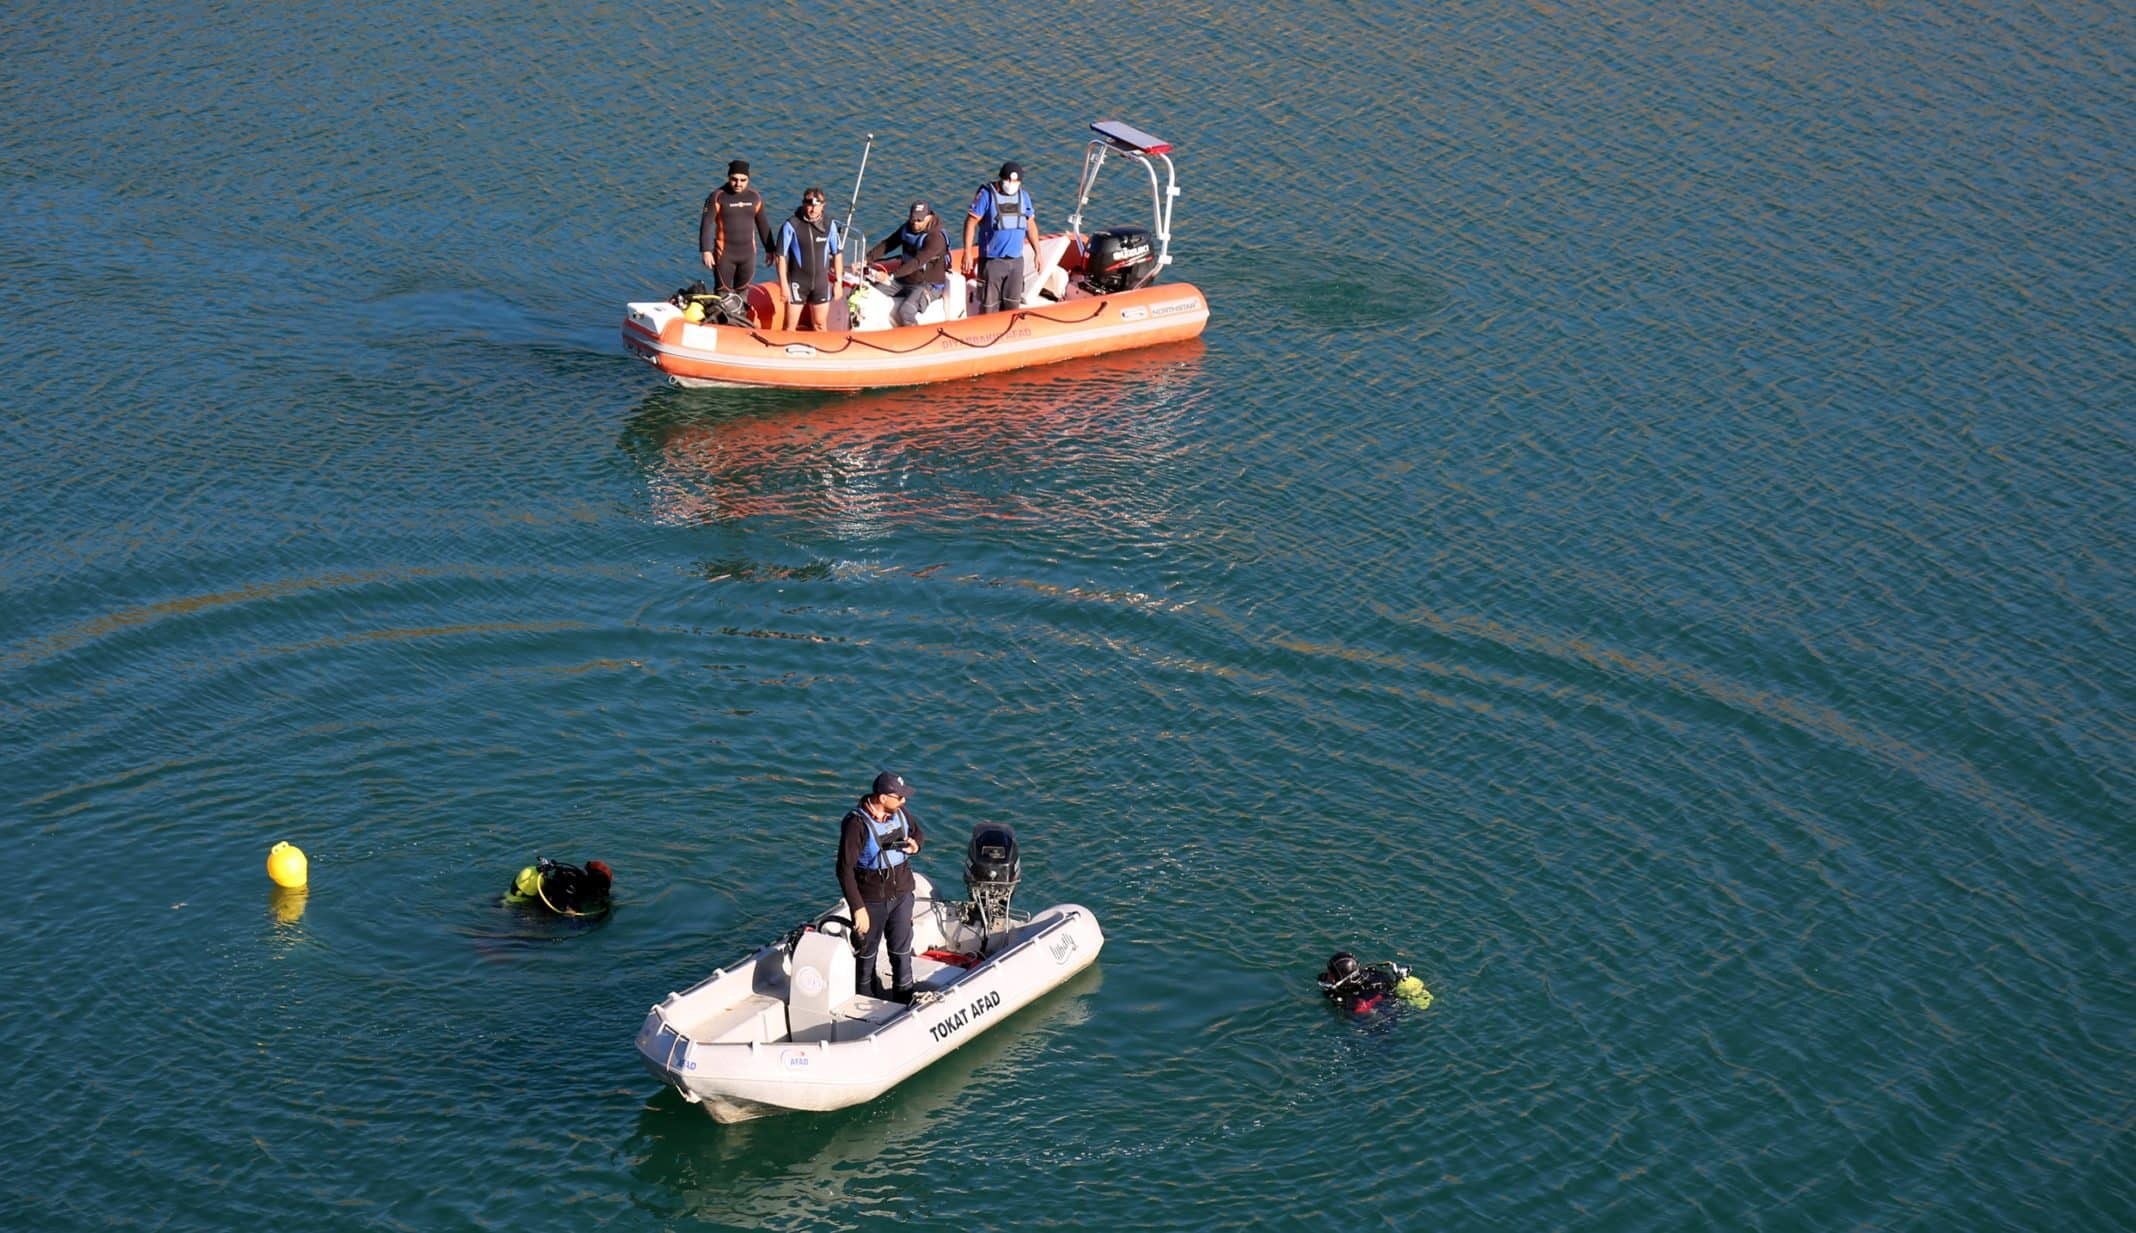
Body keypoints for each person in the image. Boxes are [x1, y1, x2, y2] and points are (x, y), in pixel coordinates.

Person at [836, 771, 926, 1003]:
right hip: (872, 899)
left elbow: (918, 833)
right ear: (883, 797)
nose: (905, 801)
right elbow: (844, 869)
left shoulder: (900, 812)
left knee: (901, 951)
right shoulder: (856, 825)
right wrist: (858, 908)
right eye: (900, 797)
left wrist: (916, 845)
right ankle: (866, 1001)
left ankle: (904, 999)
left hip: (902, 894)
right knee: (867, 955)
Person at [962, 161, 1043, 316]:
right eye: (1008, 181)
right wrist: (967, 252)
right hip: (992, 262)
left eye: (1015, 182)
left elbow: (1030, 225)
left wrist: (1037, 253)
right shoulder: (986, 195)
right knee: (989, 306)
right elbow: (971, 222)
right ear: (1001, 179)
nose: (1011, 184)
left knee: (1013, 305)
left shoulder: (1023, 196)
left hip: (1015, 261)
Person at [863, 201, 951, 327]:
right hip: (905, 280)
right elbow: (889, 243)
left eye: (919, 220)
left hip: (927, 284)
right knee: (872, 295)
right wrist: (867, 259)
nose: (915, 223)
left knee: (905, 312)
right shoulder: (908, 228)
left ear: (929, 216)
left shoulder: (936, 238)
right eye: (913, 219)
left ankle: (917, 340)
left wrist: (891, 276)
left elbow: (916, 262)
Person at [774, 188, 845, 331]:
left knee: (820, 325)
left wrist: (838, 282)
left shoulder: (829, 225)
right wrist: (783, 285)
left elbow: (837, 254)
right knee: (790, 327)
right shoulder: (791, 225)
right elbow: (780, 256)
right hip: (798, 284)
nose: (813, 210)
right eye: (809, 205)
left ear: (823, 205)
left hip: (820, 284)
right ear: (803, 204)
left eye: (816, 205)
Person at [699, 160, 775, 294]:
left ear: (748, 179)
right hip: (724, 256)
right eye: (734, 179)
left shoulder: (755, 197)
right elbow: (707, 223)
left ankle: (741, 314)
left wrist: (770, 249)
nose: (738, 183)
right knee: (723, 294)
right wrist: (706, 250)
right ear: (728, 178)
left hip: (748, 256)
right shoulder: (717, 197)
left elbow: (763, 224)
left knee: (743, 293)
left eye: (742, 180)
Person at [1316, 952, 1432, 1015]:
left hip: (1386, 1005)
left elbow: (1361, 1011)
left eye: (1332, 973)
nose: (1327, 975)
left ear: (1344, 978)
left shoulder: (1357, 1000)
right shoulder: (1367, 973)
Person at [505, 857, 614, 917]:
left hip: (518, 899)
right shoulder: (570, 887)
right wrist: (572, 912)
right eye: (602, 889)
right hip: (530, 911)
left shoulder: (573, 875)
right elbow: (572, 917)